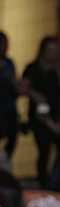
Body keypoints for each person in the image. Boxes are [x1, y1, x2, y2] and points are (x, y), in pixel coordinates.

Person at [21, 37, 60, 188]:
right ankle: (43, 181)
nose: (51, 54)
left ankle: (57, 180)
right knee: (44, 147)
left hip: (56, 114)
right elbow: (22, 87)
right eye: (49, 51)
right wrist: (34, 95)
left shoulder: (59, 71)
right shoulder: (33, 68)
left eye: (54, 51)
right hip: (39, 116)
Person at [0, 31, 18, 161]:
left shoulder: (9, 63)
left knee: (12, 135)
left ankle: (5, 159)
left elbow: (14, 82)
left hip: (9, 107)